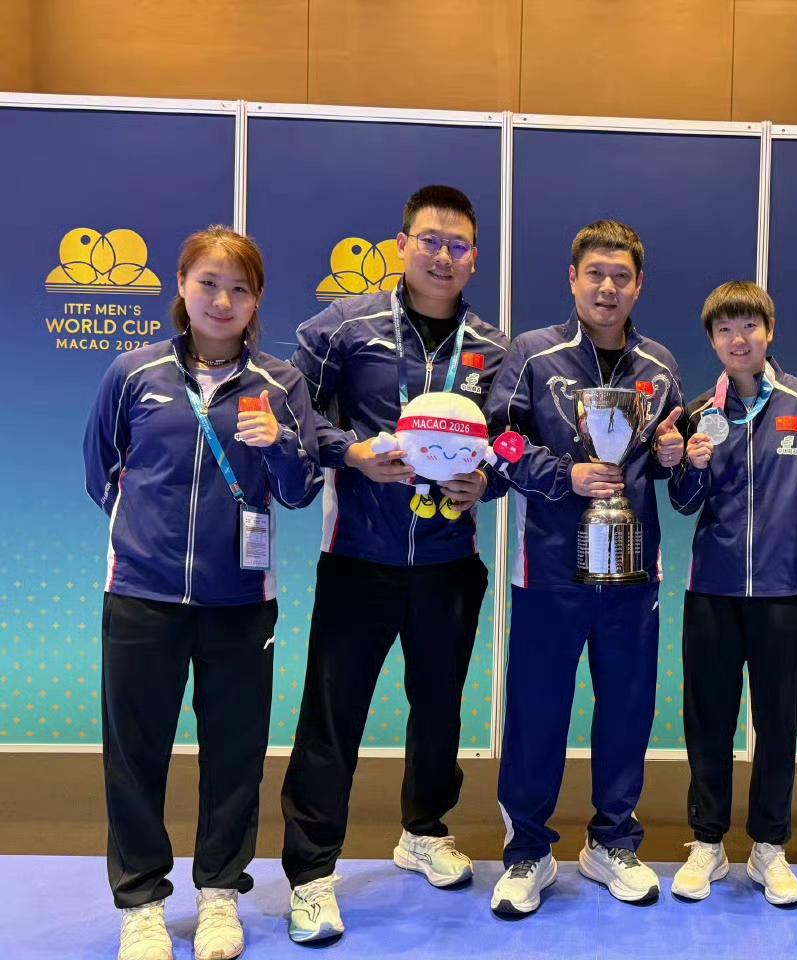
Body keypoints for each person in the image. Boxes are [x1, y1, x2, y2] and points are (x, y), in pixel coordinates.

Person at [84, 226, 320, 960]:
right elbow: (101, 471)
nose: (222, 300)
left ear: (257, 301)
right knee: (135, 754)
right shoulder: (134, 372)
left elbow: (301, 489)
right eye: (208, 283)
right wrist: (146, 539)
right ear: (182, 287)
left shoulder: (281, 384)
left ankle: (220, 893)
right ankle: (142, 902)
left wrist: (279, 445)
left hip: (241, 603)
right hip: (143, 597)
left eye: (239, 289)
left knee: (234, 753)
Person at [280, 185, 509, 942]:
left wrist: (487, 482)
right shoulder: (342, 329)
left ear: (474, 257)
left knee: (439, 707)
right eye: (430, 240)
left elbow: (511, 443)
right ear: (403, 245)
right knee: (333, 714)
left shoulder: (493, 348)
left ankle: (423, 829)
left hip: (449, 562)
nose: (443, 256)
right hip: (360, 558)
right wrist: (350, 453)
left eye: (458, 245)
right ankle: (312, 871)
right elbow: (294, 414)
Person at [482, 219, 685, 915]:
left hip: (632, 570)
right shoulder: (532, 355)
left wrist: (672, 456)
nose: (607, 287)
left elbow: (668, 454)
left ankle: (613, 842)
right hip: (549, 570)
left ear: (638, 286)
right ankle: (527, 851)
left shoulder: (659, 365)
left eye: (621, 276)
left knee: (627, 707)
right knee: (538, 709)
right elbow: (500, 442)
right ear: (573, 278)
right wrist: (562, 475)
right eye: (595, 273)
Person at [667, 281, 797, 907]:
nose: (737, 339)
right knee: (708, 721)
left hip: (786, 592)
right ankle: (707, 842)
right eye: (724, 330)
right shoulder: (698, 411)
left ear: (769, 331)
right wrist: (689, 465)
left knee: (778, 724)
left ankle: (770, 845)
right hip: (712, 592)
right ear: (712, 341)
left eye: (748, 326)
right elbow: (683, 502)